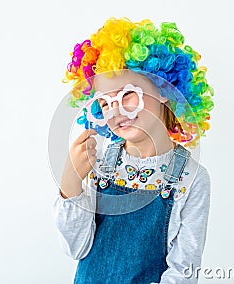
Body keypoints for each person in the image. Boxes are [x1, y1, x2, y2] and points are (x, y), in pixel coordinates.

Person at [52, 17, 214, 283]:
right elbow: (76, 249)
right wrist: (71, 182)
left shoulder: (192, 179)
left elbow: (184, 270)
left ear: (164, 88)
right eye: (105, 103)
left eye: (127, 95)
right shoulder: (101, 165)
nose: (116, 111)